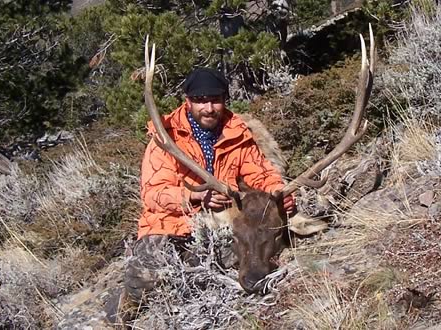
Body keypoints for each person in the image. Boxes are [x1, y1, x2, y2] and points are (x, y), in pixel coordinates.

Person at [103, 67, 296, 326]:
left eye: (215, 100)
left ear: (224, 99)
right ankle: (124, 302)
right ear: (188, 101)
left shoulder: (237, 133)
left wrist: (277, 193)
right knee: (148, 277)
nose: (209, 108)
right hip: (171, 226)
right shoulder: (165, 139)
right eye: (201, 100)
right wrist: (193, 198)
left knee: (253, 246)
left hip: (221, 223)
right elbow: (153, 195)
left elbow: (260, 172)